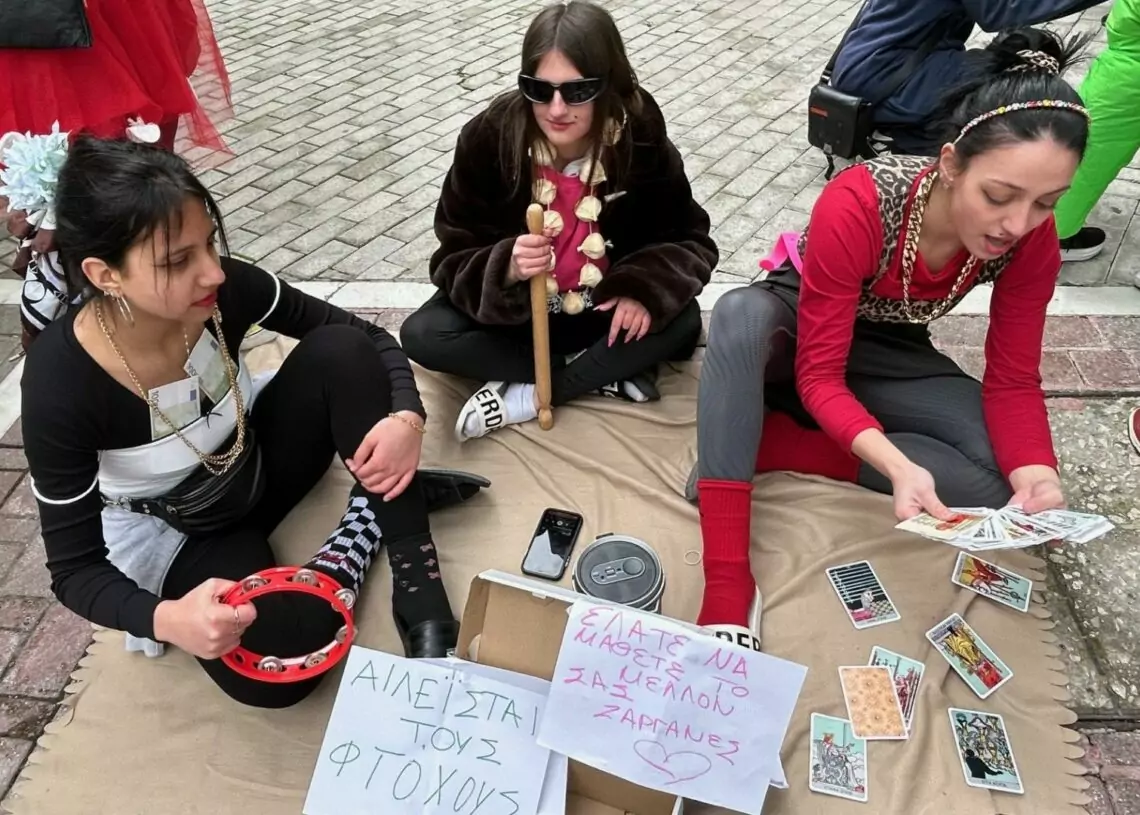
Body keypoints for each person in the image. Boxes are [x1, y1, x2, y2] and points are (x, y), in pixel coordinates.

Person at [20, 137, 490, 709]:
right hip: (181, 529)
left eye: (209, 244)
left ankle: (419, 582)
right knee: (283, 666)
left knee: (339, 352)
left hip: (255, 458)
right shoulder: (61, 384)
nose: (211, 273)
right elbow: (75, 569)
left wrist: (407, 417)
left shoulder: (227, 290)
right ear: (105, 274)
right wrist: (168, 618)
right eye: (177, 261)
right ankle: (363, 522)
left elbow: (364, 337)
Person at [692, 28, 1088, 650]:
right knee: (739, 318)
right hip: (797, 327)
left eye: (1046, 203)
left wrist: (1037, 469)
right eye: (999, 196)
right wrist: (896, 465)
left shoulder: (1031, 240)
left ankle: (770, 443)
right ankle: (726, 578)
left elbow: (1013, 379)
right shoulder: (860, 201)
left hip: (890, 348)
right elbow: (819, 373)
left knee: (996, 481)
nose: (1018, 224)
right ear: (951, 164)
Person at [399, 0, 714, 442]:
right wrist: (506, 265)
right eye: (539, 89)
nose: (557, 108)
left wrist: (642, 289)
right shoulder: (488, 138)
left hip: (601, 312)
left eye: (578, 91)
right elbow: (452, 255)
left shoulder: (638, 135)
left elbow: (689, 238)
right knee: (423, 334)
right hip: (518, 323)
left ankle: (530, 395)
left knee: (683, 321)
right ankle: (595, 373)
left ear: (608, 84)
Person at [2, 0, 232, 347]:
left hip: (92, 25)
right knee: (90, 205)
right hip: (43, 32)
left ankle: (166, 321)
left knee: (139, 196)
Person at [831, 0, 1101, 157]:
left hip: (871, 64)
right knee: (1020, 62)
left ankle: (910, 134)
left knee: (1013, 52)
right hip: (886, 73)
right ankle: (918, 147)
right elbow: (1000, 12)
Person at [1052, 0, 1140, 264]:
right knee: (1088, 145)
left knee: (1088, 146)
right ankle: (1052, 233)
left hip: (1126, 59)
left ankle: (1053, 230)